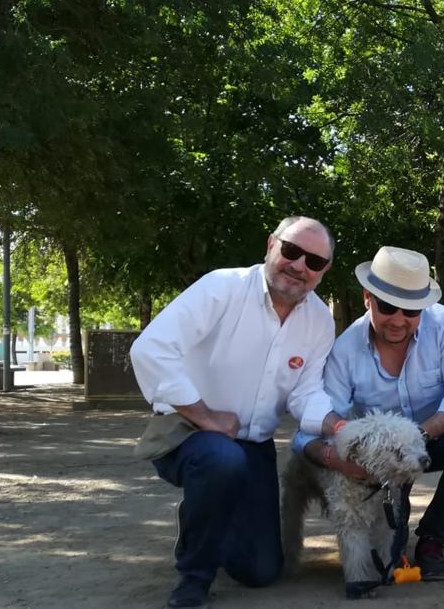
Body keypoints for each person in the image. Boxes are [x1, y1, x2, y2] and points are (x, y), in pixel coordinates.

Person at [131, 216, 345, 608]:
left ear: (324, 271)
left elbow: (306, 393)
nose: (299, 266)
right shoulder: (221, 287)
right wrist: (206, 417)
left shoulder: (319, 321)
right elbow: (150, 349)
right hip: (187, 433)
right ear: (271, 244)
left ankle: (209, 513)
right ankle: (194, 577)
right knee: (221, 460)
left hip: (253, 446)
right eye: (292, 251)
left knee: (260, 572)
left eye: (314, 262)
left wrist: (339, 426)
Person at [292, 246, 444, 582]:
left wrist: (418, 436)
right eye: (387, 306)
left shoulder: (442, 324)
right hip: (379, 458)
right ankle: (394, 526)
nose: (399, 320)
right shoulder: (345, 350)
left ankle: (433, 537)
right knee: (385, 561)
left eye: (411, 310)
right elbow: (315, 426)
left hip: (432, 437)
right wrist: (334, 458)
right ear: (367, 298)